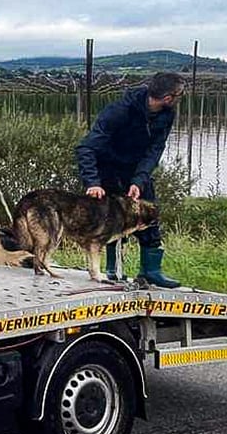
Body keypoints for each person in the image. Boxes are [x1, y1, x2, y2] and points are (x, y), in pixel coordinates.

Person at [75, 72, 186, 288]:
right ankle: (113, 272)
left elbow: (155, 149)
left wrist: (139, 180)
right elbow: (86, 147)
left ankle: (151, 271)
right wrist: (92, 182)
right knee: (114, 222)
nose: (179, 99)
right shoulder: (119, 111)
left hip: (136, 171)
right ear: (168, 97)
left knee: (150, 213)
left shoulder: (166, 114)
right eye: (178, 95)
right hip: (107, 170)